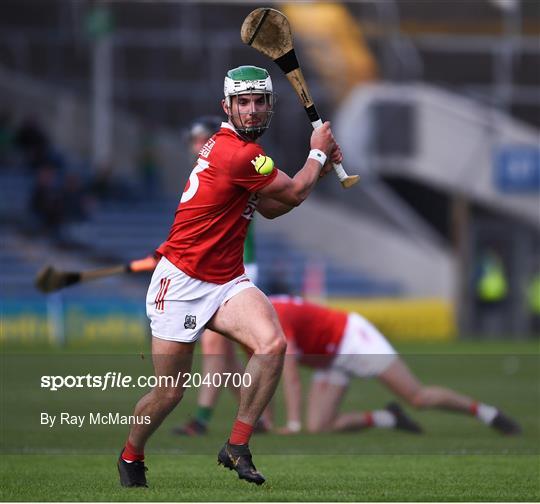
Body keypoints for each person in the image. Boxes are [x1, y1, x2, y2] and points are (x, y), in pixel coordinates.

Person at [117, 64, 342, 488]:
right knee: (169, 393)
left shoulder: (244, 154)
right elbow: (292, 192)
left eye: (259, 101)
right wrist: (317, 152)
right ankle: (131, 456)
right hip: (180, 282)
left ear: (270, 106)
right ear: (227, 107)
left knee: (272, 344)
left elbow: (275, 207)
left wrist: (321, 168)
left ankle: (237, 445)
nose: (252, 110)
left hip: (225, 281)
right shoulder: (237, 154)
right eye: (243, 102)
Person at [268, 295, 521, 436]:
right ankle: (388, 418)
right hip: (330, 358)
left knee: (418, 397)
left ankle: (488, 413)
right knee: (319, 427)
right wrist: (266, 423)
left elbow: (290, 377)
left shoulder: (273, 318)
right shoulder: (256, 321)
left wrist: (292, 424)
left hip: (352, 338)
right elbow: (264, 377)